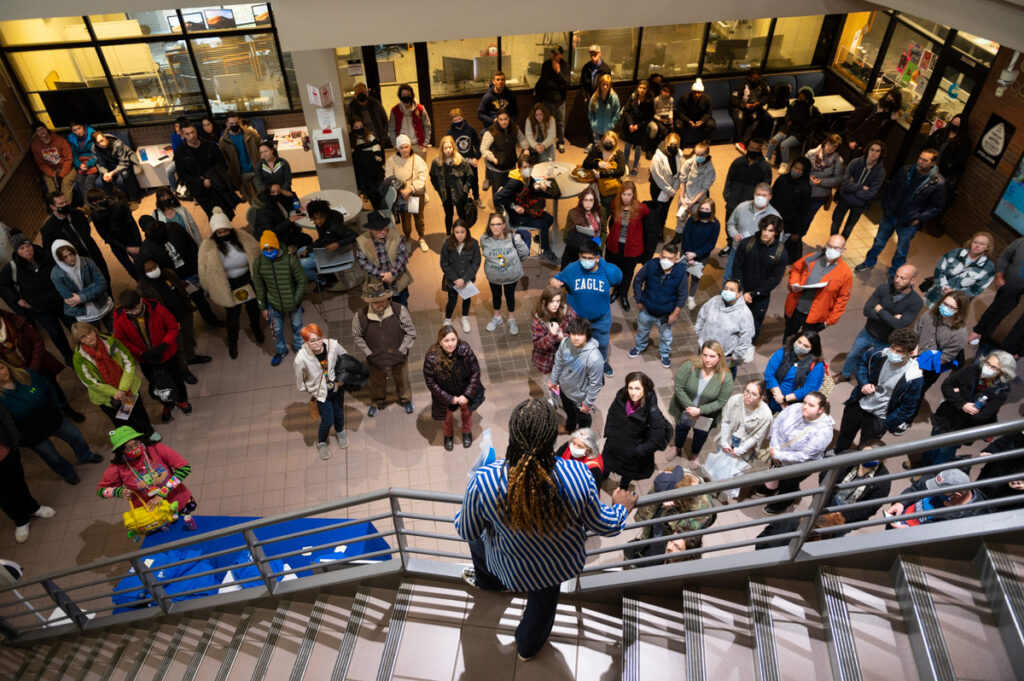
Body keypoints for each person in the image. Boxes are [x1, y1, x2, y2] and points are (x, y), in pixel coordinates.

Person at [455, 398, 634, 661]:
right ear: (553, 439)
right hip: (554, 566)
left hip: (509, 564)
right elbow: (603, 525)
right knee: (542, 608)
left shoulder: (485, 481)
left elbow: (467, 531)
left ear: (513, 436)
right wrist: (621, 508)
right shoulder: (579, 475)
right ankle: (527, 648)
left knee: (480, 540)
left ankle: (491, 583)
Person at [0, 359, 102, 485]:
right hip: (31, 433)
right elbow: (4, 424)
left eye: (2, 367)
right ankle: (67, 473)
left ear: (7, 366)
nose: (2, 373)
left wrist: (56, 406)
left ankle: (85, 456)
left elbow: (47, 385)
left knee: (75, 435)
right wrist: (20, 438)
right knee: (50, 456)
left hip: (51, 418)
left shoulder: (25, 374)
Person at [911, 351, 1014, 469]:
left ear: (1002, 372)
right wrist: (963, 404)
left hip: (961, 429)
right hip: (945, 418)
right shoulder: (973, 370)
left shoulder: (1001, 392)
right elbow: (947, 385)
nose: (987, 368)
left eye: (993, 367)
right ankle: (923, 467)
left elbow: (979, 416)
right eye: (987, 363)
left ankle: (928, 478)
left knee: (944, 453)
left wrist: (957, 394)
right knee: (933, 444)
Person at [856, 149, 946, 277]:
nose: (920, 162)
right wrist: (886, 206)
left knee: (901, 251)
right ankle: (869, 262)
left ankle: (894, 275)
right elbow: (891, 188)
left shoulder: (937, 183)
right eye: (920, 158)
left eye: (925, 160)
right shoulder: (906, 171)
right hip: (891, 214)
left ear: (932, 163)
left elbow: (936, 207)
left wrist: (919, 218)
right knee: (879, 241)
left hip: (909, 221)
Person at [835, 328, 924, 453]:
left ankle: (854, 469)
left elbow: (908, 408)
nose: (893, 352)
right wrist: (864, 383)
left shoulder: (913, 377)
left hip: (879, 417)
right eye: (892, 348)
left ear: (909, 354)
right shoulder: (879, 354)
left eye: (899, 351)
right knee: (844, 436)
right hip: (858, 404)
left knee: (865, 449)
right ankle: (837, 456)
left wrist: (886, 424)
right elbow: (862, 364)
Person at [97, 426, 198, 532]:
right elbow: (101, 491)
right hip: (152, 514)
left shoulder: (156, 449)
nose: (135, 449)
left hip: (177, 502)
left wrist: (162, 493)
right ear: (120, 451)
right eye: (128, 448)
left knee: (187, 531)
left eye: (136, 443)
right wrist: (116, 491)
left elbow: (184, 468)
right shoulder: (118, 467)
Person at [113, 290, 192, 423]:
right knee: (156, 383)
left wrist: (164, 345)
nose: (133, 312)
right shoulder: (120, 319)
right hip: (146, 359)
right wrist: (141, 353)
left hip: (167, 354)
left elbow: (173, 327)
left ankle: (182, 400)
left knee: (177, 378)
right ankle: (167, 405)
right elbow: (122, 339)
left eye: (135, 308)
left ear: (140, 301)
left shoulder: (159, 310)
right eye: (129, 310)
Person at [197, 208, 265, 359]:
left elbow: (256, 253)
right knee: (232, 317)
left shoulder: (243, 238)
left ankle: (256, 329)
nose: (223, 235)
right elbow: (204, 270)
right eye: (219, 233)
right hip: (228, 284)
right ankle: (232, 340)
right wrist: (208, 287)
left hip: (247, 279)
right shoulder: (207, 247)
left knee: (253, 308)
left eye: (225, 231)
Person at [836, 264, 922, 382]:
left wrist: (880, 310)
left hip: (888, 340)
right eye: (896, 276)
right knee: (853, 354)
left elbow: (900, 325)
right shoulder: (883, 289)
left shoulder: (916, 302)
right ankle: (845, 374)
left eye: (902, 278)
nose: (897, 280)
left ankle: (866, 382)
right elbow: (867, 310)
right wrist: (892, 318)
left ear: (913, 280)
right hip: (869, 332)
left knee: (876, 362)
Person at [71, 321, 156, 439]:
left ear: (94, 331)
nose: (89, 337)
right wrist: (116, 393)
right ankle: (133, 440)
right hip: (108, 397)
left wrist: (122, 389)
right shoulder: (79, 358)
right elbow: (90, 382)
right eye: (83, 337)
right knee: (122, 419)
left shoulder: (111, 342)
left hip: (127, 388)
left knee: (137, 412)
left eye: (89, 332)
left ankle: (148, 431)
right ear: (79, 341)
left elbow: (129, 362)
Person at [138, 215, 223, 329]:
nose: (153, 230)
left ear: (157, 222)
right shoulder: (147, 248)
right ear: (145, 231)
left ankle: (211, 320)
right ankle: (188, 335)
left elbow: (191, 244)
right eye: (149, 229)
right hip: (174, 281)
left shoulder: (174, 228)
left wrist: (199, 263)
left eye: (154, 226)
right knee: (181, 309)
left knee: (200, 299)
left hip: (189, 271)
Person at [551, 240, 622, 376]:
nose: (586, 261)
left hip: (600, 320)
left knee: (601, 344)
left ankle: (601, 363)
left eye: (590, 258)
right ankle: (579, 365)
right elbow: (557, 278)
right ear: (579, 256)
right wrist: (554, 282)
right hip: (577, 320)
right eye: (584, 258)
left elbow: (619, 279)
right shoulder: (572, 269)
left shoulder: (609, 271)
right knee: (576, 345)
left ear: (597, 258)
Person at [0, 236, 75, 362]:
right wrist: (16, 300)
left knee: (74, 327)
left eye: (28, 246)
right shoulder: (13, 267)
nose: (27, 250)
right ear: (17, 251)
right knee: (56, 334)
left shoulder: (46, 256)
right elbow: (2, 285)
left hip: (60, 301)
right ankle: (69, 359)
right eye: (22, 248)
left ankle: (85, 351)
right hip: (40, 308)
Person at [757, 392, 835, 515]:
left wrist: (778, 455)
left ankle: (783, 503)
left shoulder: (823, 431)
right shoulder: (795, 408)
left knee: (788, 484)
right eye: (805, 402)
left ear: (820, 410)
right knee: (774, 472)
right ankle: (771, 487)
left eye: (811, 405)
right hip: (778, 452)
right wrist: (774, 447)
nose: (805, 406)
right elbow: (777, 423)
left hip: (799, 466)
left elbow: (804, 456)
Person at [0, 309, 82, 422]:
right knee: (32, 395)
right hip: (15, 373)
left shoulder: (14, 321)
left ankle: (66, 409)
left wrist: (34, 368)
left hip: (38, 363)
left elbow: (37, 341)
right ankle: (50, 415)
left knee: (52, 387)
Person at [137, 258, 211, 380]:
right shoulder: (143, 288)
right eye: (148, 269)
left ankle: (191, 357)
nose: (153, 270)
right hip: (169, 322)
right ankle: (183, 370)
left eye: (154, 266)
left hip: (184, 312)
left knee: (188, 337)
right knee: (178, 346)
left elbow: (180, 287)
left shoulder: (168, 273)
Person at [352, 281, 417, 419]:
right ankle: (377, 402)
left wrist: (401, 350)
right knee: (376, 383)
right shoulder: (360, 316)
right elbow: (357, 336)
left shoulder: (399, 310)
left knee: (403, 380)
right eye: (376, 302)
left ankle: (406, 400)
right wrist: (369, 353)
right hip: (376, 360)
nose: (380, 304)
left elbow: (411, 332)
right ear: (369, 302)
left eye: (382, 301)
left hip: (398, 356)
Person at [629, 466, 715, 564]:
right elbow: (650, 506)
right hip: (660, 520)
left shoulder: (702, 508)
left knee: (659, 550)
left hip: (672, 534)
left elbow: (684, 532)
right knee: (650, 540)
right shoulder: (675, 477)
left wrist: (669, 511)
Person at [602, 371, 671, 490]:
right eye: (630, 388)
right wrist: (609, 432)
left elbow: (656, 438)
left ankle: (623, 488)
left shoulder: (652, 411)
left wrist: (639, 451)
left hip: (631, 455)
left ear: (645, 389)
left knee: (626, 475)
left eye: (638, 388)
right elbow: (611, 414)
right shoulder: (621, 398)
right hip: (613, 446)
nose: (633, 392)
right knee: (606, 466)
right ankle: (603, 476)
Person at [668, 340, 733, 461]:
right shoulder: (689, 366)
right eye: (705, 355)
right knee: (681, 429)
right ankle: (677, 447)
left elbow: (721, 401)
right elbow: (679, 388)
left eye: (712, 356)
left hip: (705, 415)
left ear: (720, 357)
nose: (707, 359)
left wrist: (700, 410)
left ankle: (694, 454)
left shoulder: (726, 376)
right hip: (686, 409)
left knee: (700, 435)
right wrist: (690, 409)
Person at [0, 405, 56, 544]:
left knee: (18, 482)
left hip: (6, 453)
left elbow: (5, 419)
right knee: (3, 496)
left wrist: (13, 442)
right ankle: (21, 520)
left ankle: (32, 507)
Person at [423, 325, 483, 450]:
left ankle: (466, 431)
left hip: (464, 391)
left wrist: (467, 395)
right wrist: (450, 398)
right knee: (446, 417)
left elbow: (475, 372)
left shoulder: (465, 349)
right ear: (440, 342)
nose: (450, 344)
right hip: (445, 396)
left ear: (457, 339)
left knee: (467, 413)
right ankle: (448, 435)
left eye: (453, 340)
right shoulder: (432, 358)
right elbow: (431, 383)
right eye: (446, 341)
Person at [294, 324, 349, 457]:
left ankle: (340, 431)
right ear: (306, 341)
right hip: (321, 394)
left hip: (336, 388)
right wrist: (312, 389)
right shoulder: (301, 357)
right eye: (313, 340)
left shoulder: (333, 346)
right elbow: (300, 381)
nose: (317, 343)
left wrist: (343, 377)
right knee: (327, 420)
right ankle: (321, 442)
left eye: (319, 338)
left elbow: (346, 358)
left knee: (339, 414)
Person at [629, 242, 687, 368]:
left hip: (666, 314)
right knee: (642, 330)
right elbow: (638, 280)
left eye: (670, 258)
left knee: (666, 337)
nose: (665, 260)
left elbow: (682, 296)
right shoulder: (652, 265)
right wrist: (639, 299)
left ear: (676, 260)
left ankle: (664, 354)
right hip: (647, 309)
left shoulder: (681, 273)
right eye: (663, 257)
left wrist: (675, 313)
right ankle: (640, 346)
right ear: (660, 256)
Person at [252, 231, 306, 366]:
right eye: (265, 249)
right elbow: (259, 288)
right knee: (276, 330)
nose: (269, 251)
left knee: (297, 326)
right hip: (273, 304)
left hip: (293, 302)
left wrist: (296, 299)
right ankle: (281, 351)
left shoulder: (290, 260)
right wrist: (263, 307)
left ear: (277, 246)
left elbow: (302, 281)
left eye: (271, 248)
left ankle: (300, 349)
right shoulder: (258, 264)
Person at [784, 235, 853, 339]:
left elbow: (842, 299)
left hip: (816, 317)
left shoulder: (845, 273)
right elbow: (796, 269)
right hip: (796, 309)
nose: (832, 250)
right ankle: (785, 354)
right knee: (789, 335)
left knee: (805, 342)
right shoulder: (812, 258)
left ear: (843, 250)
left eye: (836, 248)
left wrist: (829, 322)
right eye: (830, 246)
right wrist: (794, 283)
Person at [732, 215, 788, 340]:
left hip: (760, 296)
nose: (766, 233)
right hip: (740, 291)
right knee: (733, 319)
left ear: (776, 232)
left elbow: (775, 279)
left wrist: (753, 294)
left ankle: (750, 346)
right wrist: (742, 290)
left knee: (754, 323)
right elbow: (737, 267)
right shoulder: (747, 243)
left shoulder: (781, 253)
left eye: (771, 231)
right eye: (764, 229)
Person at [41, 191, 111, 289]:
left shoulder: (77, 213)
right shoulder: (48, 229)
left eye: (65, 202)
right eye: (61, 204)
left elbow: (86, 230)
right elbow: (50, 251)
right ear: (52, 206)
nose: (65, 205)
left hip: (94, 255)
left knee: (106, 280)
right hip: (78, 264)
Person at [494, 151, 556, 261]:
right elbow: (498, 197)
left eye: (530, 167)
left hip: (525, 208)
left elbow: (531, 183)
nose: (528, 170)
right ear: (519, 168)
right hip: (517, 217)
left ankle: (540, 237)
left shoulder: (525, 176)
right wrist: (514, 207)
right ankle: (546, 251)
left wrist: (539, 185)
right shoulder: (515, 182)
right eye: (525, 167)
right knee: (543, 224)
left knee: (550, 219)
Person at [174, 120, 238, 220]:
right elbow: (182, 174)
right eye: (187, 134)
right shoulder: (180, 153)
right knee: (213, 216)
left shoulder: (210, 146)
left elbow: (222, 164)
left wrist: (212, 177)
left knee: (227, 213)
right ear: (182, 135)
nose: (191, 136)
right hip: (200, 191)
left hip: (217, 185)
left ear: (196, 130)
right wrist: (200, 182)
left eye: (192, 132)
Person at [549, 317, 604, 433]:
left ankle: (583, 435)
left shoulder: (594, 358)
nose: (575, 338)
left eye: (580, 334)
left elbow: (596, 384)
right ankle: (570, 427)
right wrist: (553, 380)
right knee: (569, 412)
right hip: (565, 389)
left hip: (580, 397)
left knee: (584, 419)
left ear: (587, 335)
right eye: (573, 333)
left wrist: (588, 404)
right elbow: (558, 362)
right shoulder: (565, 342)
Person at [969, 236, 1024, 348]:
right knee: (994, 314)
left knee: (1008, 330)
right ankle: (981, 338)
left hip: (1019, 304)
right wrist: (999, 275)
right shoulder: (1021, 242)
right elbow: (1004, 257)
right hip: (1006, 290)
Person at [884, 469, 986, 528]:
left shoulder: (965, 520)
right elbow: (915, 489)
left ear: (957, 495)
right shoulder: (937, 481)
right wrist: (901, 503)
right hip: (899, 519)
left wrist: (911, 533)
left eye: (939, 491)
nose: (934, 491)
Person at [603, 180, 650, 310]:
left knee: (628, 273)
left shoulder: (640, 209)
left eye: (629, 195)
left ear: (633, 195)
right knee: (616, 271)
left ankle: (623, 295)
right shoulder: (615, 205)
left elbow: (648, 213)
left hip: (632, 249)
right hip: (615, 247)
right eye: (624, 194)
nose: (626, 198)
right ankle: (616, 292)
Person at [252, 184, 315, 279]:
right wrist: (289, 221)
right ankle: (303, 267)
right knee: (306, 240)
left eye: (278, 191)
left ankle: (304, 262)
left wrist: (292, 194)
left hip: (286, 230)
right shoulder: (264, 210)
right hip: (277, 238)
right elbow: (271, 232)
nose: (276, 194)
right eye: (273, 192)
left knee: (306, 239)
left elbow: (295, 205)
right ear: (268, 193)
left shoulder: (278, 200)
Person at [480, 212, 529, 334]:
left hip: (510, 275)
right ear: (489, 226)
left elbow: (524, 253)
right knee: (495, 295)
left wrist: (515, 263)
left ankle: (511, 319)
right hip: (494, 276)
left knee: (509, 296)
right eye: (492, 225)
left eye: (498, 224)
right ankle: (497, 317)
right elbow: (485, 253)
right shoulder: (484, 239)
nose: (495, 227)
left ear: (503, 225)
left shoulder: (514, 238)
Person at [694, 279, 755, 377]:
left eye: (732, 290)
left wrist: (736, 355)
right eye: (726, 288)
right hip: (705, 348)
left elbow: (746, 336)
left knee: (723, 378)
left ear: (739, 293)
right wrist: (699, 332)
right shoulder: (714, 301)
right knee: (701, 373)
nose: (728, 291)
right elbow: (702, 315)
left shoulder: (744, 313)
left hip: (725, 355)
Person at [50, 241, 114, 330]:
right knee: (96, 339)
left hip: (102, 304)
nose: (70, 258)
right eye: (65, 257)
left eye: (71, 254)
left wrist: (81, 298)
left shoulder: (87, 262)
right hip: (83, 314)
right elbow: (70, 299)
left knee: (117, 332)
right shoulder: (56, 274)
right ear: (59, 259)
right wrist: (93, 286)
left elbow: (102, 284)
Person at [914, 290, 969, 392]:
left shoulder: (960, 334)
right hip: (913, 356)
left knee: (916, 394)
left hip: (929, 369)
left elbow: (944, 358)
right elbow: (916, 334)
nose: (945, 308)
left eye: (951, 307)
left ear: (959, 311)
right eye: (944, 303)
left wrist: (919, 364)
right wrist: (914, 354)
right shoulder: (929, 315)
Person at [355, 211, 413, 307]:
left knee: (402, 306)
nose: (383, 231)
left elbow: (402, 256)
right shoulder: (362, 241)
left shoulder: (395, 235)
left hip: (398, 281)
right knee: (383, 308)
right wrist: (384, 276)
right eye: (378, 229)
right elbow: (364, 263)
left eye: (384, 227)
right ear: (371, 230)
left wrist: (393, 274)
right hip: (378, 286)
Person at [831, 140, 886, 239]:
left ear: (881, 153)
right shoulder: (855, 162)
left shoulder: (881, 172)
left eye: (877, 151)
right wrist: (861, 187)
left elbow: (871, 193)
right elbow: (845, 183)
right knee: (835, 224)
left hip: (859, 204)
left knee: (848, 228)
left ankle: (838, 249)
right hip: (844, 199)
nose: (874, 153)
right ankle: (831, 245)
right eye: (872, 149)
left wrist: (853, 187)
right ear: (867, 150)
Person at [926, 232, 996, 308]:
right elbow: (939, 270)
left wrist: (955, 294)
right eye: (975, 242)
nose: (977, 245)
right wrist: (944, 287)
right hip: (939, 292)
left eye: (982, 244)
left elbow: (977, 289)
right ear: (971, 242)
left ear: (987, 247)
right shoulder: (955, 252)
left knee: (946, 317)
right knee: (929, 313)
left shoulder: (989, 268)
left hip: (957, 301)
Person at [86, 188, 142, 280]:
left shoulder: (119, 205)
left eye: (104, 198)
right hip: (117, 246)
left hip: (131, 240)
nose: (104, 201)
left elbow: (132, 225)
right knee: (130, 268)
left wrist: (138, 243)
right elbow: (105, 236)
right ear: (93, 203)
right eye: (100, 200)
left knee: (142, 263)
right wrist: (125, 248)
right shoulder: (96, 216)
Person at [386, 134, 430, 252]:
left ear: (410, 146)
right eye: (402, 147)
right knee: (405, 219)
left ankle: (421, 238)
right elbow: (389, 177)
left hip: (416, 193)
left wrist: (410, 189)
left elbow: (423, 178)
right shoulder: (391, 161)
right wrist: (401, 191)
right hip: (401, 195)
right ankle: (408, 238)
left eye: (406, 147)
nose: (404, 150)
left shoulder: (418, 160)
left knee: (419, 217)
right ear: (397, 148)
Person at [764, 331, 826, 413]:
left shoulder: (817, 365)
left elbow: (808, 389)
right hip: (773, 396)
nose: (800, 346)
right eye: (799, 342)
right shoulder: (784, 351)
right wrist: (779, 396)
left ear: (812, 349)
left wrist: (785, 399)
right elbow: (769, 374)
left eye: (806, 346)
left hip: (794, 405)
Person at [530, 286, 576, 395]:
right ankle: (550, 400)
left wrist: (563, 337)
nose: (555, 305)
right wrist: (551, 335)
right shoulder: (538, 319)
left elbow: (578, 334)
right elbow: (539, 345)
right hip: (547, 359)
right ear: (544, 302)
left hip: (566, 356)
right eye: (552, 301)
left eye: (558, 301)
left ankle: (562, 399)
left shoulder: (568, 313)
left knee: (565, 380)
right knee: (549, 382)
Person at [676, 198, 720, 310]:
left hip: (701, 256)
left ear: (712, 211)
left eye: (707, 209)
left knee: (695, 277)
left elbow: (711, 244)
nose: (704, 211)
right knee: (682, 275)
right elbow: (686, 237)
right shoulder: (692, 219)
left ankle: (691, 297)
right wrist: (688, 254)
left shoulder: (715, 224)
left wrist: (695, 254)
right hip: (686, 252)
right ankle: (680, 294)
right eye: (702, 208)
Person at [764, 87, 821, 172]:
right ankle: (766, 159)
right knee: (773, 141)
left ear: (807, 98)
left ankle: (784, 164)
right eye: (799, 96)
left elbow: (820, 119)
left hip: (799, 132)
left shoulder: (812, 109)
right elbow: (788, 113)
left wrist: (806, 124)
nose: (800, 98)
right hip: (788, 128)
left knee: (784, 145)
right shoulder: (794, 103)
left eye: (803, 97)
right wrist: (788, 120)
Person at [439, 220, 480, 333]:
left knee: (466, 299)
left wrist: (464, 279)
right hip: (453, 281)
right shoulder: (447, 244)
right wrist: (456, 279)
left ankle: (464, 318)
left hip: (467, 280)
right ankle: (448, 319)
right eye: (457, 232)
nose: (460, 235)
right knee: (451, 301)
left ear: (467, 231)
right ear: (453, 232)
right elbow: (444, 264)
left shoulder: (474, 244)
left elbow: (476, 263)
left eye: (462, 232)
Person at [430, 135, 475, 236]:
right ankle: (448, 236)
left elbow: (470, 176)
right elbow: (432, 176)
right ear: (442, 149)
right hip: (446, 194)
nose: (448, 150)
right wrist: (438, 188)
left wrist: (465, 190)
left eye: (450, 147)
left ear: (453, 147)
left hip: (460, 193)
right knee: (449, 215)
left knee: (462, 215)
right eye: (445, 148)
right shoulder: (436, 162)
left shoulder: (461, 161)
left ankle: (466, 235)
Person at [721, 138, 771, 228]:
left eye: (756, 149)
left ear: (760, 150)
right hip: (732, 204)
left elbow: (765, 189)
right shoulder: (737, 162)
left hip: (749, 209)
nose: (753, 151)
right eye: (751, 148)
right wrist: (727, 196)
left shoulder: (765, 167)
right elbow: (729, 179)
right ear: (747, 147)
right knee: (729, 227)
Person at [717, 379, 773, 460]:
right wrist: (724, 442)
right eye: (747, 391)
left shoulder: (766, 415)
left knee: (732, 470)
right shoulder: (735, 400)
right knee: (718, 463)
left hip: (745, 445)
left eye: (754, 394)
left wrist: (739, 451)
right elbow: (726, 421)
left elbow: (756, 437)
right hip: (728, 437)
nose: (748, 396)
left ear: (761, 397)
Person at [772, 156, 812, 265]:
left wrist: (796, 231)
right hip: (773, 219)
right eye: (795, 167)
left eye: (800, 169)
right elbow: (772, 196)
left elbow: (802, 211)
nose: (796, 171)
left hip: (788, 226)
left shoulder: (805, 188)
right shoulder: (782, 179)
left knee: (778, 247)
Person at [925, 114, 971, 206]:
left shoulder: (964, 142)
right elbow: (927, 146)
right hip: (928, 168)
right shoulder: (940, 133)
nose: (954, 124)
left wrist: (942, 168)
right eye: (953, 122)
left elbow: (959, 162)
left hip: (942, 175)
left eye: (957, 124)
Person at [479, 110, 525, 203]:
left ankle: (510, 207)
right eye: (501, 119)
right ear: (497, 120)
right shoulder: (491, 131)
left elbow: (522, 140)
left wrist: (526, 148)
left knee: (511, 189)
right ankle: (499, 210)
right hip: (496, 168)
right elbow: (483, 148)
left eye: (505, 119)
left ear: (509, 119)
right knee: (498, 191)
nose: (503, 122)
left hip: (511, 166)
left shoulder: (515, 128)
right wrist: (493, 159)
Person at [802, 135, 845, 232]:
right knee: (798, 212)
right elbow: (802, 167)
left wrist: (822, 181)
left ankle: (798, 237)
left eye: (835, 147)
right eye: (830, 144)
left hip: (820, 194)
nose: (831, 148)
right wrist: (808, 176)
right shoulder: (811, 153)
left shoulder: (838, 160)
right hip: (805, 189)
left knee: (808, 218)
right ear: (825, 142)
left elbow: (838, 179)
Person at [446, 108, 484, 210]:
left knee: (474, 180)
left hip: (472, 162)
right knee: (461, 183)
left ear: (463, 118)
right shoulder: (450, 133)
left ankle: (476, 198)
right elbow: (448, 149)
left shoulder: (470, 130)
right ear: (452, 121)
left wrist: (476, 157)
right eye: (455, 120)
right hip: (458, 163)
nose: (458, 122)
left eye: (459, 119)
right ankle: (464, 201)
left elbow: (478, 144)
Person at [559, 185, 605, 269]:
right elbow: (565, 237)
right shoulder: (573, 213)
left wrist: (600, 247)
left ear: (595, 201)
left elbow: (604, 231)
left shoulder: (601, 211)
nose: (588, 203)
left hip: (595, 250)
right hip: (577, 252)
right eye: (586, 200)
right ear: (581, 201)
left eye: (591, 200)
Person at [534, 45, 570, 154]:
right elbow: (545, 82)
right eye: (552, 53)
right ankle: (547, 142)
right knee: (546, 122)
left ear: (561, 55)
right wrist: (559, 85)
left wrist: (558, 72)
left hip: (560, 101)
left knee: (560, 123)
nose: (553, 56)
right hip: (547, 100)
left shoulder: (565, 66)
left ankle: (561, 142)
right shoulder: (546, 65)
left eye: (556, 54)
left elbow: (567, 84)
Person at [30, 121, 77, 203]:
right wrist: (52, 175)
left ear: (46, 129)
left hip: (66, 168)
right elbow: (41, 164)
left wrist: (61, 175)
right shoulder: (35, 145)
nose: (41, 132)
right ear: (35, 133)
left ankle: (66, 207)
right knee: (50, 183)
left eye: (42, 128)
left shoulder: (60, 140)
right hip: (50, 171)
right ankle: (56, 207)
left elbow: (68, 160)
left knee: (65, 183)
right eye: (38, 130)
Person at [583, 130, 626, 214]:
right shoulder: (597, 150)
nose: (608, 144)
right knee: (586, 198)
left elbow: (621, 171)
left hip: (610, 185)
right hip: (596, 183)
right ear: (602, 141)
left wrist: (602, 175)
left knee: (607, 203)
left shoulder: (619, 154)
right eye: (606, 141)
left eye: (610, 142)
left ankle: (603, 220)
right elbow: (585, 164)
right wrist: (598, 164)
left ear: (615, 142)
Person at [648, 134, 685, 233]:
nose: (673, 146)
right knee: (657, 210)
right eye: (671, 144)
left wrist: (674, 188)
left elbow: (681, 172)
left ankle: (661, 229)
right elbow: (657, 177)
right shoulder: (657, 157)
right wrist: (669, 190)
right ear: (666, 143)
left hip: (672, 189)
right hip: (658, 188)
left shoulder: (679, 154)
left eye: (676, 145)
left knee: (665, 210)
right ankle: (654, 229)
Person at [91, 131, 141, 201]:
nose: (101, 144)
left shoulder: (117, 144)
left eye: (101, 141)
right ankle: (112, 200)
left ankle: (134, 197)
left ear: (105, 137)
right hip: (109, 164)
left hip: (124, 161)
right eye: (98, 143)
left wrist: (113, 172)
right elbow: (100, 163)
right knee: (103, 179)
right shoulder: (94, 148)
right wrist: (105, 173)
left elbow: (124, 162)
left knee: (125, 174)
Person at [349, 118, 386, 209]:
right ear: (352, 128)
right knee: (372, 196)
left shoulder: (370, 137)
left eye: (361, 127)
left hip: (374, 172)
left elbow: (378, 157)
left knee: (380, 196)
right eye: (356, 127)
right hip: (362, 174)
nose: (359, 129)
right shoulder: (350, 140)